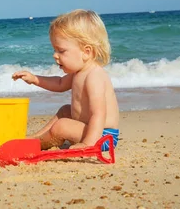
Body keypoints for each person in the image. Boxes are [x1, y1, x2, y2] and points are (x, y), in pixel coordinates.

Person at [12, 9, 119, 151]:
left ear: (86, 52)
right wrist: (35, 79)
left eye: (61, 51)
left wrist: (89, 143)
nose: (55, 56)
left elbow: (98, 114)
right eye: (55, 50)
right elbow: (59, 83)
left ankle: (38, 145)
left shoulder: (94, 76)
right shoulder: (78, 72)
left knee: (61, 126)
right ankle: (35, 138)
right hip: (88, 128)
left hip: (104, 137)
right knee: (65, 110)